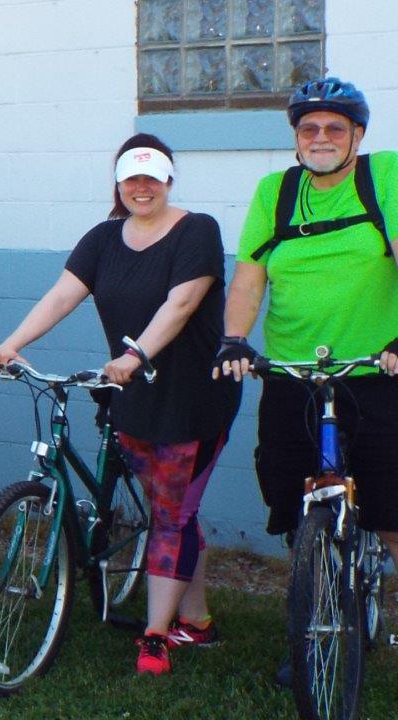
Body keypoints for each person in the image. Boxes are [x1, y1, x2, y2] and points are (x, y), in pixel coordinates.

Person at [0, 134, 239, 675]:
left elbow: (182, 304)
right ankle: (196, 620)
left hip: (192, 397)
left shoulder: (197, 230)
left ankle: (154, 637)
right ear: (119, 183)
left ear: (168, 180)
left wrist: (135, 353)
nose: (141, 188)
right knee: (174, 512)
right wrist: (12, 343)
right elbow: (62, 295)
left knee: (171, 513)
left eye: (152, 178)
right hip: (132, 391)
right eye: (131, 179)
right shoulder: (103, 238)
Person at [214, 77, 398, 685]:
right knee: (297, 504)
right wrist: (235, 338)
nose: (321, 137)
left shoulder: (385, 176)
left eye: (335, 128)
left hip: (374, 372)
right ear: (296, 138)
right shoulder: (276, 190)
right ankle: (314, 618)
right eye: (309, 128)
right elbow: (250, 277)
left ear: (358, 135)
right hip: (293, 374)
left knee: (392, 512)